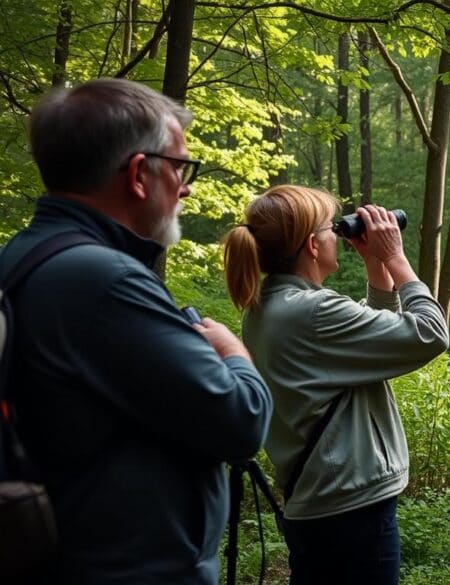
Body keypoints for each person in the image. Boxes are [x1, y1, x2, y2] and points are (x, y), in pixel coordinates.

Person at [0, 78, 273, 583]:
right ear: (138, 175)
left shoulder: (24, 255)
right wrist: (234, 351)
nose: (186, 186)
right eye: (180, 167)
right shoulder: (104, 282)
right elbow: (242, 422)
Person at [221, 186, 449, 585]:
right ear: (312, 245)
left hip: (320, 506)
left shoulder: (270, 308)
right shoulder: (313, 311)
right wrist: (395, 258)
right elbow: (430, 333)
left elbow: (371, 344)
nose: (338, 237)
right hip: (352, 513)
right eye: (332, 229)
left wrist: (375, 264)